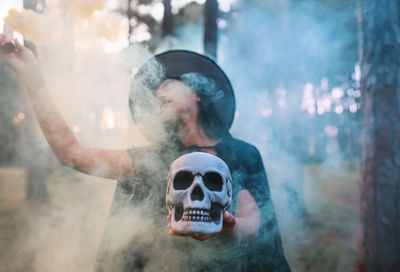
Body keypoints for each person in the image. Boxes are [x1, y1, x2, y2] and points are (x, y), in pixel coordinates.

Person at [0, 26, 291, 271]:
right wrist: (31, 75)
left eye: (167, 84)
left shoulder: (243, 154)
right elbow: (70, 153)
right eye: (155, 90)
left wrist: (229, 227)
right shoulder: (149, 159)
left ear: (196, 92)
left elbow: (256, 226)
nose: (157, 93)